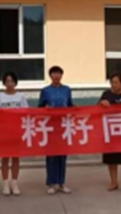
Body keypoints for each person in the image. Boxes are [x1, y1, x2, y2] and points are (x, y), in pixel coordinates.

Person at [38, 65, 73, 195]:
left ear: (61, 75)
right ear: (50, 76)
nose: (56, 76)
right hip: (50, 126)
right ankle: (51, 183)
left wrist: (76, 109)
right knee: (51, 155)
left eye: (58, 73)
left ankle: (61, 183)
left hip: (64, 126)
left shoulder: (67, 90)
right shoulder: (45, 91)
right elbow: (39, 108)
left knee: (63, 155)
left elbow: (70, 105)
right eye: (54, 73)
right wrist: (45, 108)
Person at [0, 71, 29, 196]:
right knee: (5, 157)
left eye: (12, 81)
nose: (9, 84)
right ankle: (5, 183)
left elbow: (26, 112)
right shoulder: (0, 97)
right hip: (4, 131)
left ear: (15, 83)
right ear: (4, 83)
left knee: (15, 157)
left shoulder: (21, 97)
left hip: (17, 130)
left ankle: (14, 182)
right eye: (7, 81)